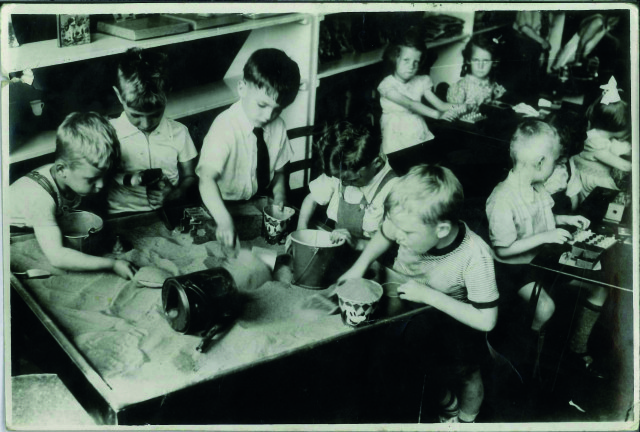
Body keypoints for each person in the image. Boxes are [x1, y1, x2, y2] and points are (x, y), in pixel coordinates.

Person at [339, 165, 499, 423]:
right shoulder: (407, 224)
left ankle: (465, 422)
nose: (398, 236)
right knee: (393, 361)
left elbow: (487, 319)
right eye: (397, 227)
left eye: (407, 233)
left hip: (453, 316)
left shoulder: (475, 255)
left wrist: (427, 295)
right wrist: (359, 267)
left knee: (467, 372)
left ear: (442, 230)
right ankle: (444, 399)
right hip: (407, 305)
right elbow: (385, 233)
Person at [486, 119, 590, 374]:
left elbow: (539, 218)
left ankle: (572, 347)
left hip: (538, 259)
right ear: (542, 162)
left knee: (591, 285)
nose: (555, 168)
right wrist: (545, 237)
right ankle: (528, 347)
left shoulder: (536, 187)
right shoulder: (501, 199)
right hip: (511, 269)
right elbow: (503, 250)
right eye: (555, 162)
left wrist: (564, 219)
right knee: (546, 307)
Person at [9, 112, 136, 279]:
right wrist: (112, 264)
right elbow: (57, 257)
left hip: (35, 227)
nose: (101, 185)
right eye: (92, 179)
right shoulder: (40, 199)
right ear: (62, 170)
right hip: (12, 237)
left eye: (104, 176)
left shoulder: (68, 175)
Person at [197, 48, 301, 247]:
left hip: (255, 201)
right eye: (262, 105)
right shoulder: (224, 126)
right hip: (218, 205)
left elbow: (280, 172)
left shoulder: (278, 126)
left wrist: (279, 195)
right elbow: (206, 179)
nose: (268, 116)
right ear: (242, 88)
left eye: (277, 110)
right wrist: (223, 220)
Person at [108, 47, 198, 214]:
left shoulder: (179, 132)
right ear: (119, 95)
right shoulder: (108, 134)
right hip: (121, 215)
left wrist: (175, 194)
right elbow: (100, 178)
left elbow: (190, 177)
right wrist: (131, 178)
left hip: (167, 210)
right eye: (136, 115)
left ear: (167, 93)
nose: (146, 123)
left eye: (156, 114)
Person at [297, 121, 398, 251]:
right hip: (339, 248)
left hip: (374, 256)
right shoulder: (343, 169)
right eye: (340, 179)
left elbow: (392, 243)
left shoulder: (393, 188)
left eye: (352, 180)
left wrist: (356, 243)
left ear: (376, 163)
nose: (344, 184)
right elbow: (311, 199)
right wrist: (301, 230)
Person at [378, 27, 463, 175]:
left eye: (416, 62)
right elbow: (410, 103)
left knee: (423, 169)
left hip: (417, 131)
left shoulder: (421, 81)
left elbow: (441, 104)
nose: (411, 66)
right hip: (396, 138)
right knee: (403, 171)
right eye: (406, 60)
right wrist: (437, 115)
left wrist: (462, 106)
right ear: (394, 58)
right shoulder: (387, 85)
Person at [568, 76, 631, 204]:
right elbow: (624, 166)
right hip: (594, 186)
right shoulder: (594, 144)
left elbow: (621, 147)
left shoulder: (594, 135)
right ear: (619, 125)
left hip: (588, 180)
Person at [447, 34, 506, 109]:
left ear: (494, 62)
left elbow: (487, 109)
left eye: (486, 61)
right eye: (476, 60)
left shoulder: (491, 83)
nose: (480, 66)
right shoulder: (461, 87)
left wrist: (497, 98)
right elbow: (452, 112)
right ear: (468, 60)